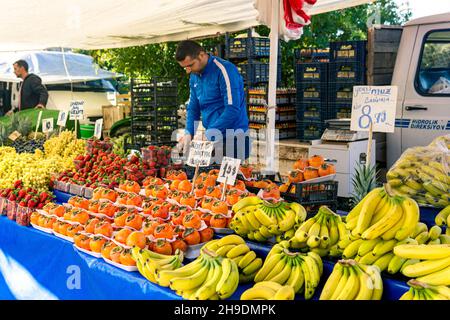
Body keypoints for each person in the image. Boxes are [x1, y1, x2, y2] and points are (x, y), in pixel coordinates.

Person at [175, 40, 250, 162]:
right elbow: (193, 108)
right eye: (185, 67)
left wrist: (208, 134)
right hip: (212, 138)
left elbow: (232, 109)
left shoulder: (225, 70)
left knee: (233, 181)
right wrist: (189, 133)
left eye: (190, 65)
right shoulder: (194, 76)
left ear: (201, 55)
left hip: (234, 138)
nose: (188, 70)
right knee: (208, 178)